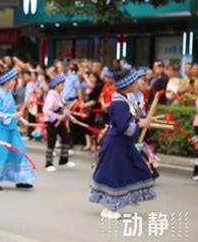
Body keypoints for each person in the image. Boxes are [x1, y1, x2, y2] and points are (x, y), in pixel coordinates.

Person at [89, 69, 156, 219]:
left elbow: (128, 120)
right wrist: (141, 124)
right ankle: (109, 208)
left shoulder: (124, 98)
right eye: (134, 82)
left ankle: (127, 197)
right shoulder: (119, 101)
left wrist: (141, 120)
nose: (136, 84)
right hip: (116, 144)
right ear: (128, 85)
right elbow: (123, 126)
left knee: (136, 169)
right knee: (114, 175)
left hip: (123, 144)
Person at [0, 68, 35, 190]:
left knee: (19, 152)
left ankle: (21, 179)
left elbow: (13, 112)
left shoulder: (9, 94)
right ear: (6, 81)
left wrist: (21, 120)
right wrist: (14, 116)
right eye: (13, 80)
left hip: (11, 129)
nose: (15, 82)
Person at [43, 74, 76, 172]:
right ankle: (48, 163)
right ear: (56, 85)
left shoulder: (60, 95)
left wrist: (70, 117)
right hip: (51, 121)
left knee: (66, 138)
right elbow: (46, 110)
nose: (63, 86)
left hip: (59, 119)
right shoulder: (51, 95)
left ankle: (64, 160)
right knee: (51, 141)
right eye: (62, 84)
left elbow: (64, 109)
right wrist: (57, 116)